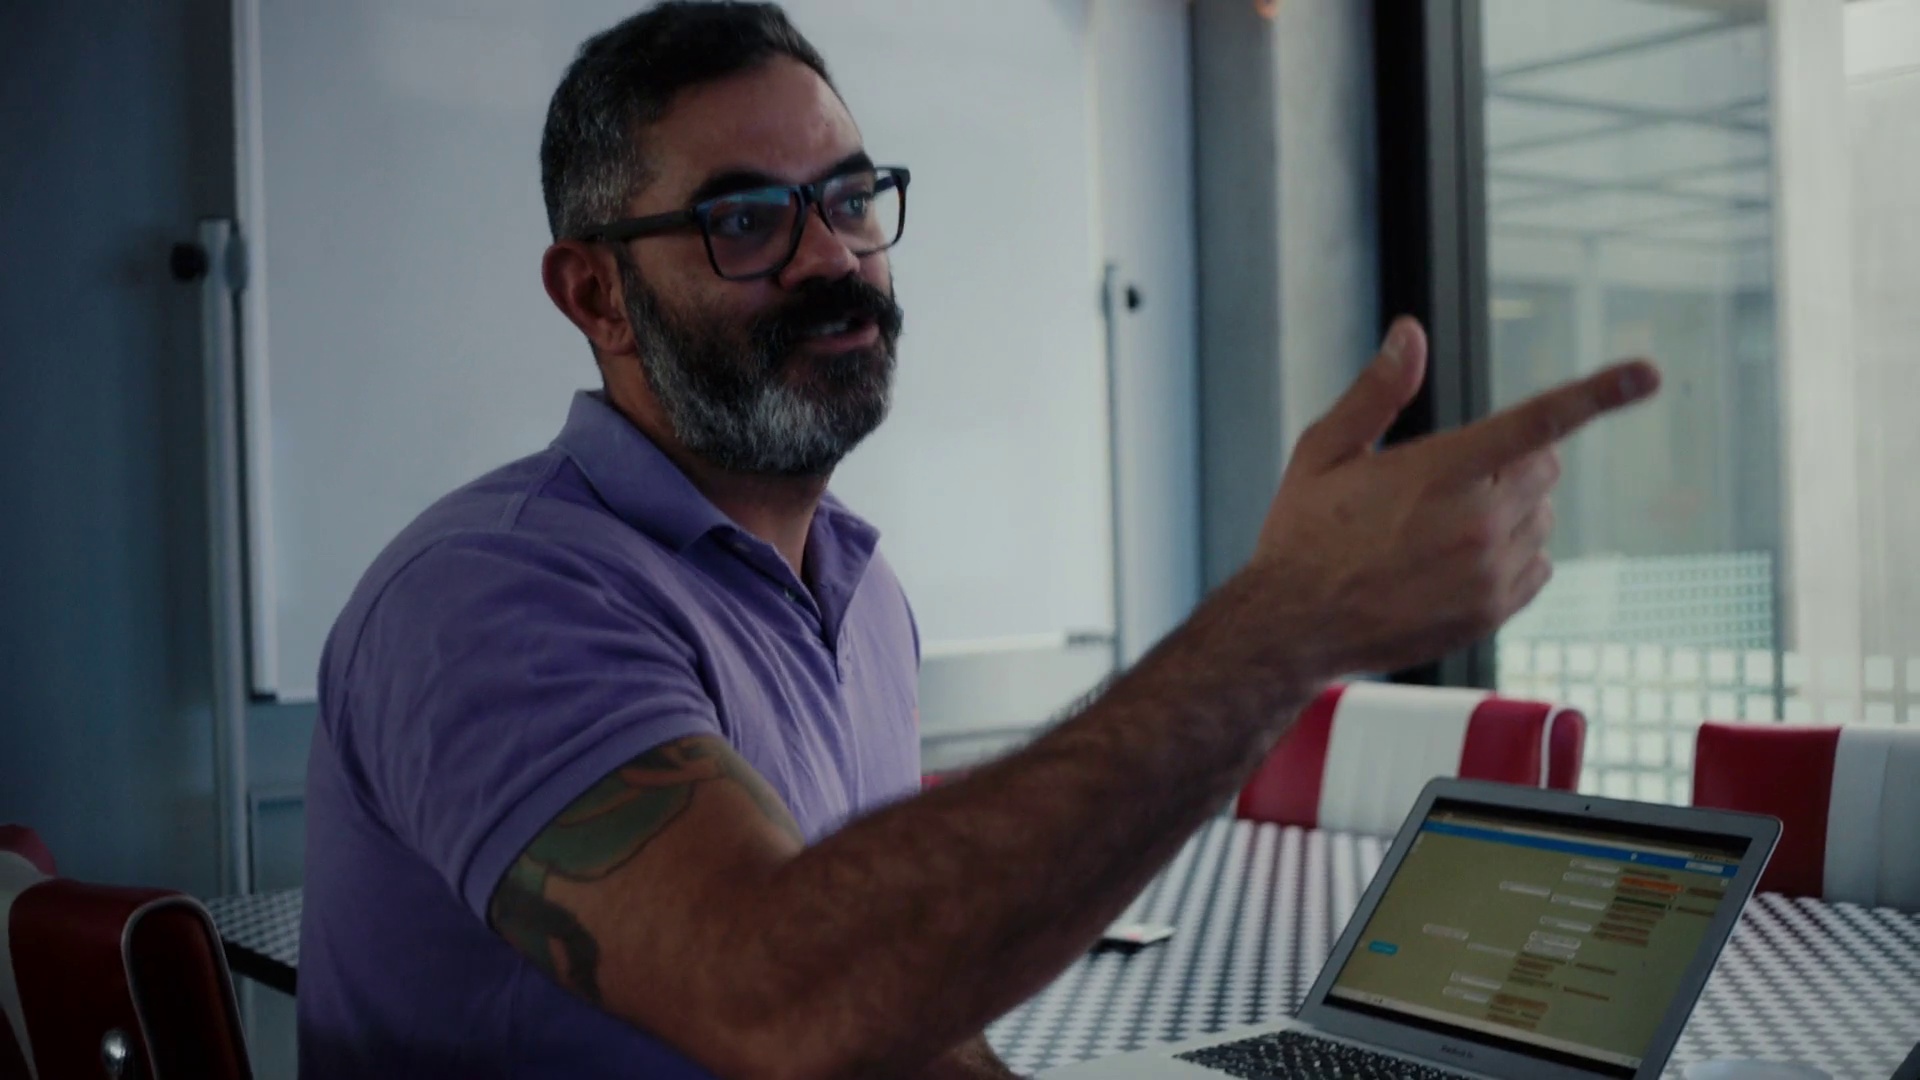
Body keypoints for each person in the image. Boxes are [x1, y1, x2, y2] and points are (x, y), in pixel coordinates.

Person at [295, 3, 1660, 1077]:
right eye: (745, 220)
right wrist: (1288, 619)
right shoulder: (488, 597)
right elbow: (786, 994)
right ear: (596, 294)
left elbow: (893, 1009)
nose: (830, 258)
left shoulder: (860, 594)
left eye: (848, 198)